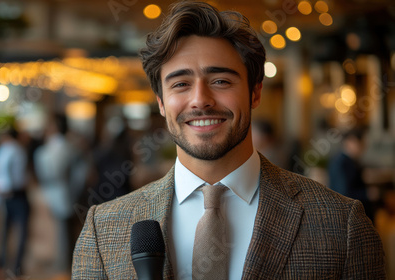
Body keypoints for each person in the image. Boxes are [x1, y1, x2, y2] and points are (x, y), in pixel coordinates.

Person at [72, 2, 385, 279]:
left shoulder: (340, 223)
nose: (200, 100)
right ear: (161, 102)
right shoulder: (104, 229)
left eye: (220, 81)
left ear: (255, 92)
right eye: (180, 84)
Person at [34, 113, 74, 274]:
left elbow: (54, 171)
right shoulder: (64, 146)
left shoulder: (60, 146)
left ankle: (63, 263)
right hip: (59, 193)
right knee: (60, 231)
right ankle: (61, 262)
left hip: (59, 194)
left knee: (62, 232)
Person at [0, 127, 30, 276]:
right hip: (16, 193)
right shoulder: (16, 149)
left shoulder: (3, 150)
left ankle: (0, 265)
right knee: (21, 233)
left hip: (6, 195)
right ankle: (17, 268)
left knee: (4, 232)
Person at [328, 128, 373, 219]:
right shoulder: (340, 163)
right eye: (361, 143)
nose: (364, 147)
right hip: (348, 214)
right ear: (350, 141)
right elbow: (343, 193)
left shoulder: (350, 160)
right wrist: (367, 194)